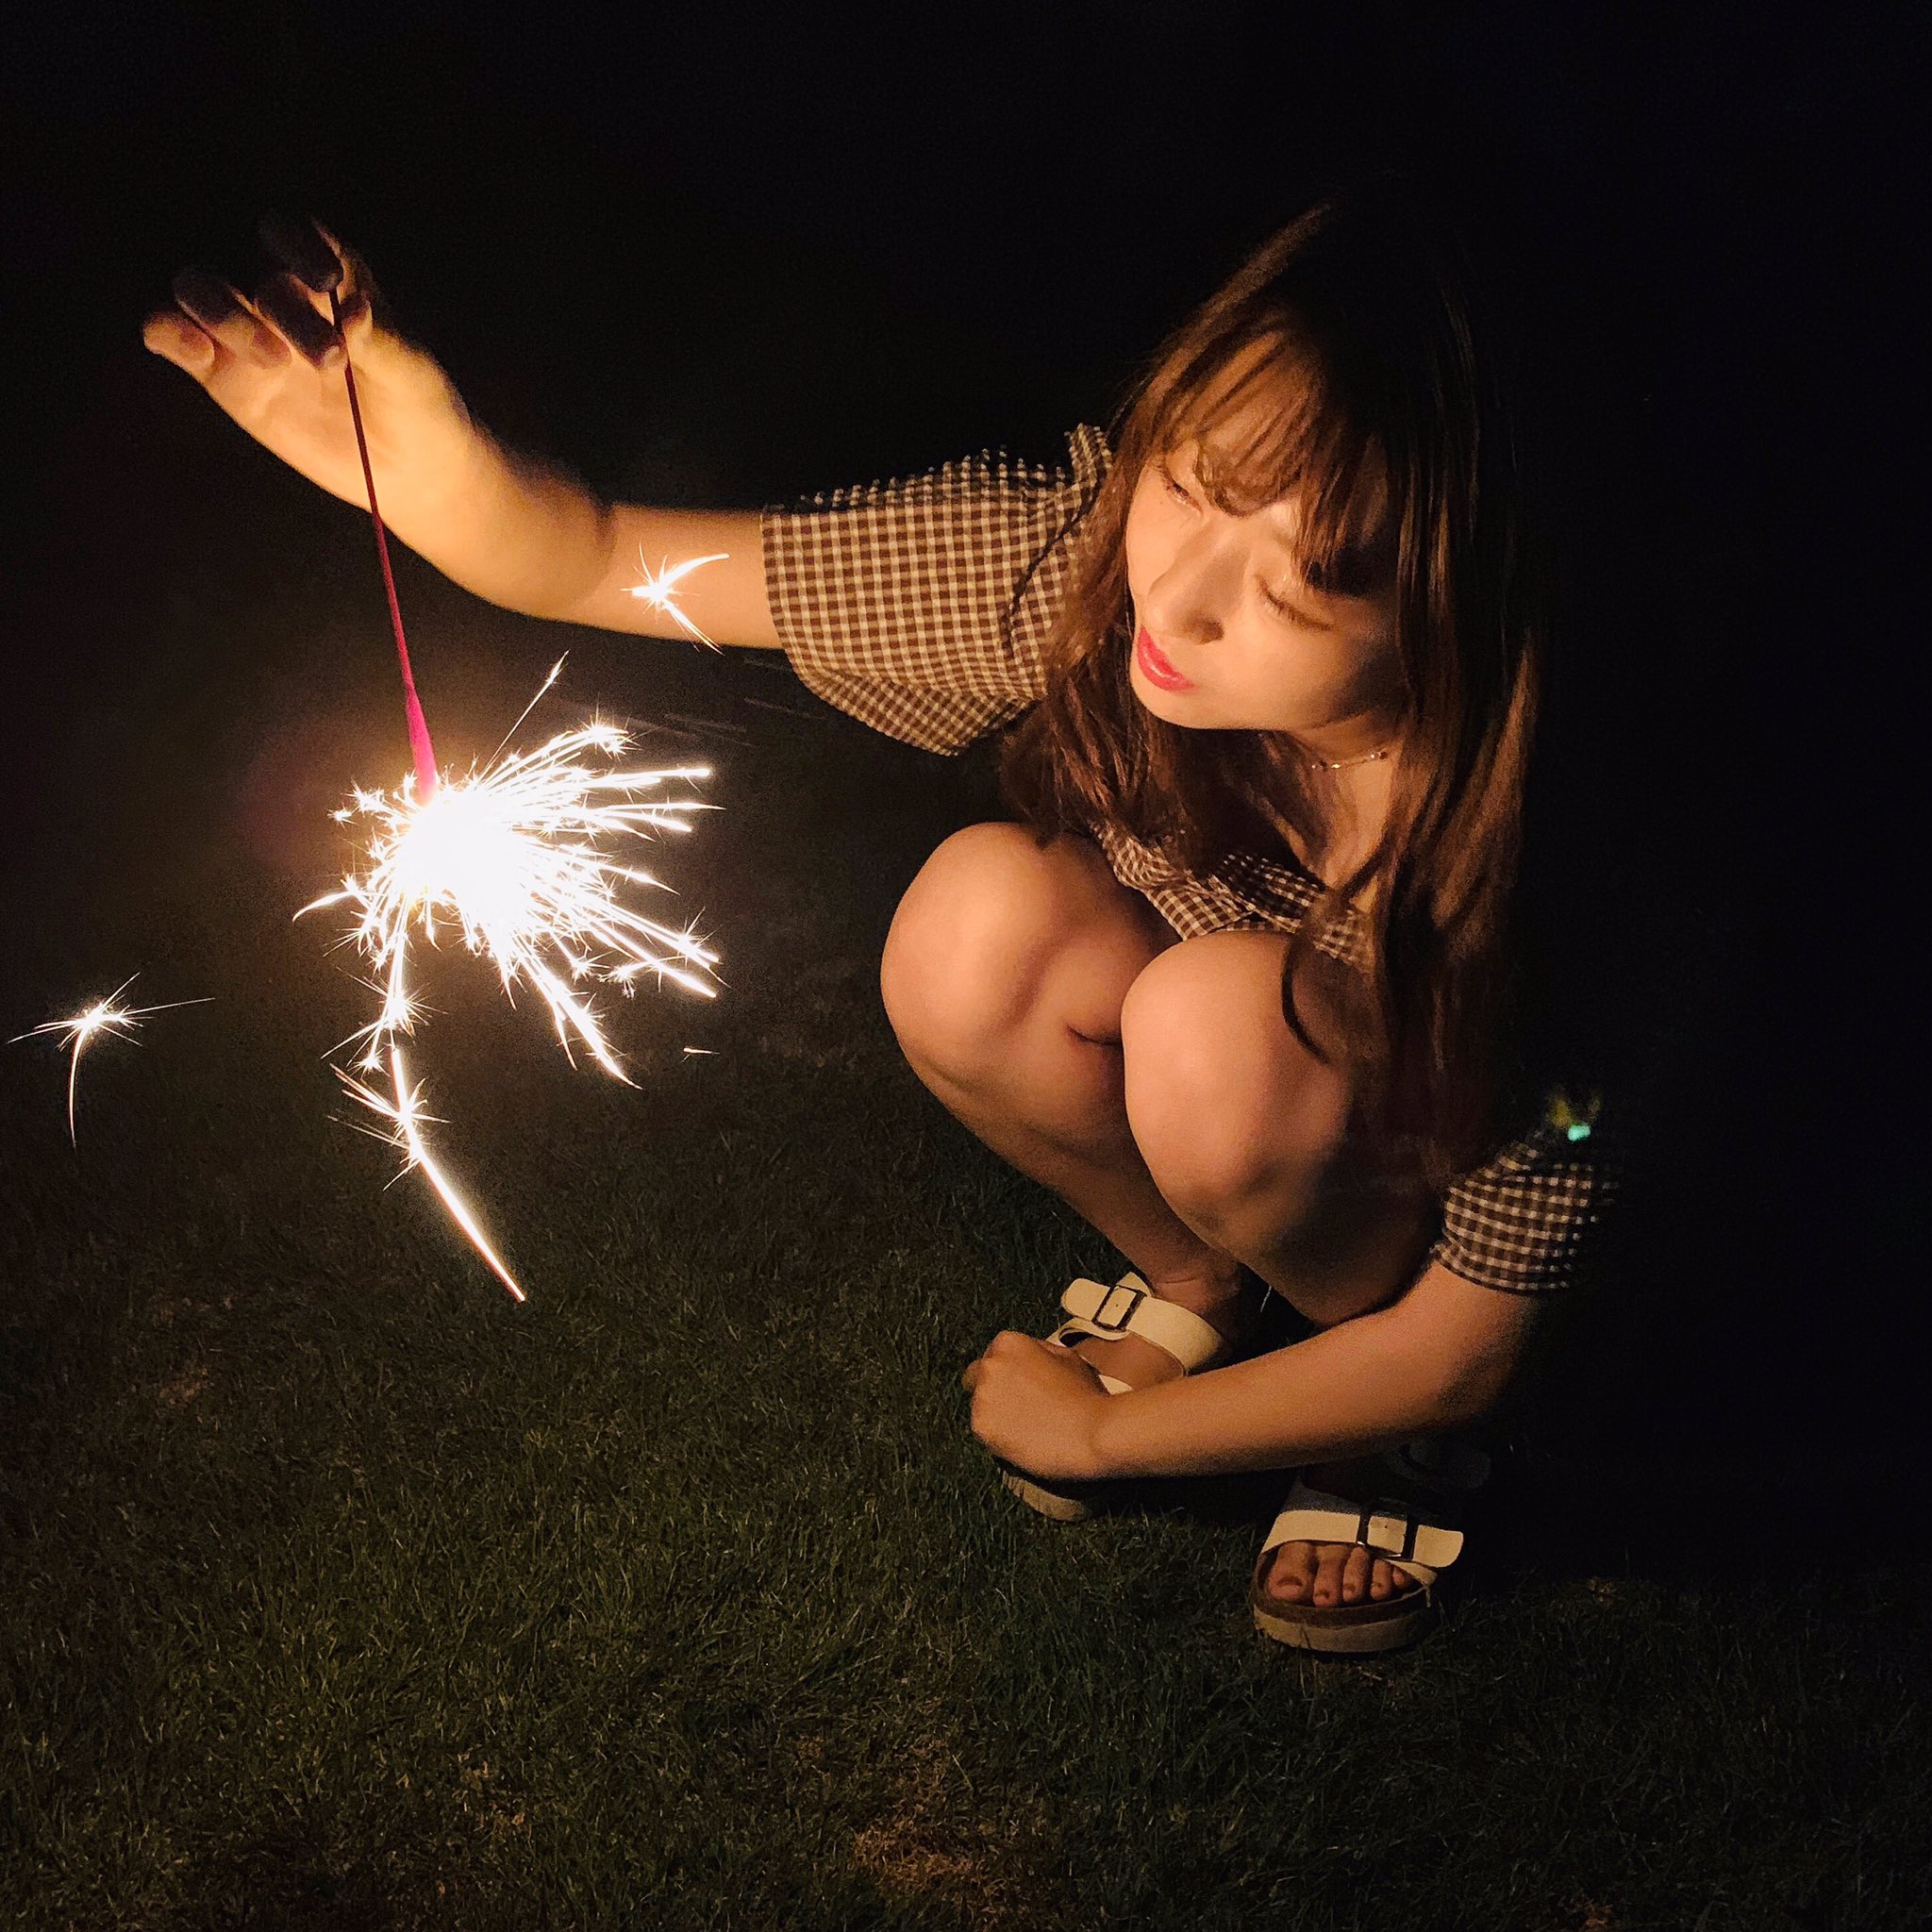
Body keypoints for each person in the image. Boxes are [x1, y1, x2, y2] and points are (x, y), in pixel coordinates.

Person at [142, 185, 1612, 1654]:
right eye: (1195, 481)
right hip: (1253, 1057)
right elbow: (593, 552)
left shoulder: (1532, 861)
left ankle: (1362, 1439)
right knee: (970, 927)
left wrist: (1092, 1446)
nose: (1182, 594)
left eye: (1302, 587)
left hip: (1348, 1135)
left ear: (1456, 609)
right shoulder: (1072, 572)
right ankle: (1198, 1286)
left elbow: (1470, 1347)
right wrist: (403, 453)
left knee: (1212, 1036)